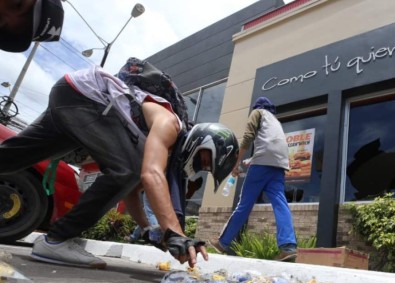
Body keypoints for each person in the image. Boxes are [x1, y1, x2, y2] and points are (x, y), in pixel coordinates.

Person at [0, 64, 239, 269]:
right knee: (130, 170)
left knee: (12, 158)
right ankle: (56, 240)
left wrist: (149, 229)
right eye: (206, 160)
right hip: (85, 98)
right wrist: (175, 233)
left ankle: (57, 239)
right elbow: (147, 174)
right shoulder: (170, 124)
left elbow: (132, 190)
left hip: (70, 95)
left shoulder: (155, 144)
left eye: (205, 168)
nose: (199, 167)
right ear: (202, 140)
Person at [210, 97, 298, 261]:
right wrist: (251, 161)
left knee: (244, 203)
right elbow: (271, 146)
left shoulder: (257, 112)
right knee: (280, 202)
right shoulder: (275, 121)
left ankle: (223, 242)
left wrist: (235, 163)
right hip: (279, 164)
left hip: (262, 163)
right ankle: (288, 246)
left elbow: (248, 137)